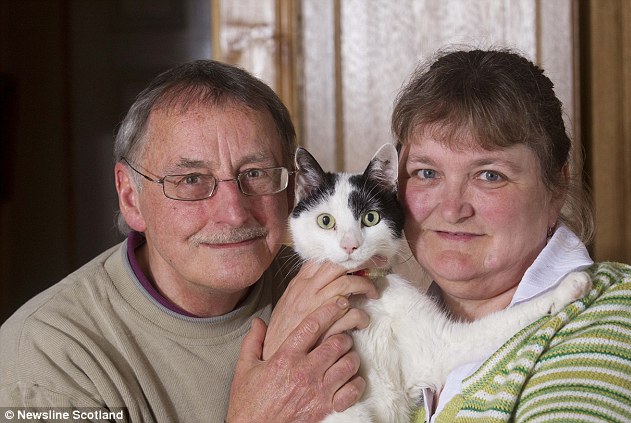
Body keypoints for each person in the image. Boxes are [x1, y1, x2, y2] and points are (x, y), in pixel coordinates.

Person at [0, 60, 379, 422]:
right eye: (192, 180)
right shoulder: (46, 355)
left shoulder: (332, 282)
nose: (234, 213)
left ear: (291, 189)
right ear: (131, 198)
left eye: (256, 174)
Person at [391, 48, 631, 422]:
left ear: (556, 188)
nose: (453, 209)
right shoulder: (392, 334)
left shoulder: (612, 316)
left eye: (490, 175)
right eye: (426, 172)